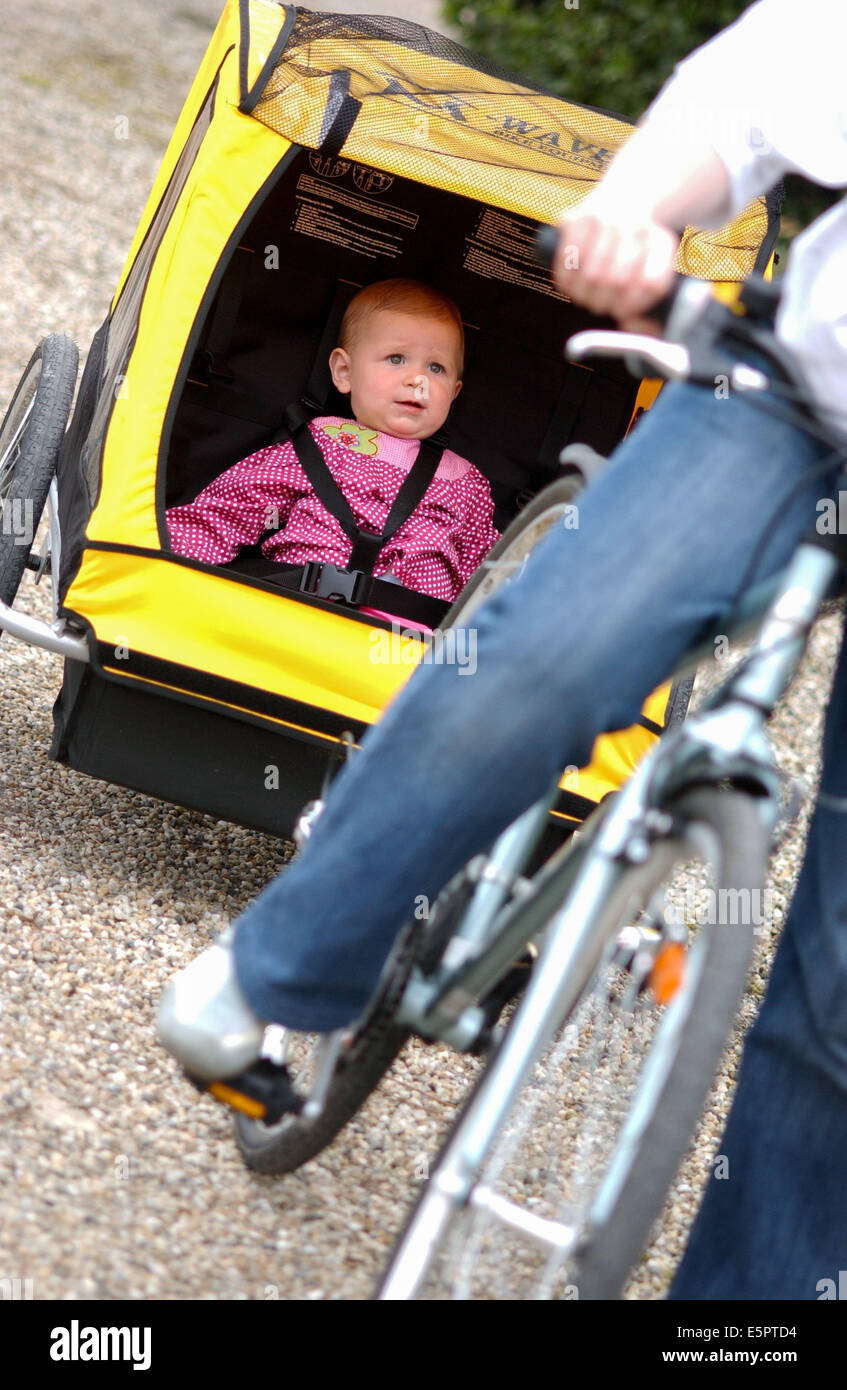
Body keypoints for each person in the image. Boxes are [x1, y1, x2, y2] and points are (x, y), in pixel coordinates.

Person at [158, 0, 847, 1298]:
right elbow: (768, 83)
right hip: (800, 400)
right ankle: (276, 967)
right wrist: (633, 204)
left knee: (839, 1003)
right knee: (545, 656)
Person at [165, 278, 499, 629]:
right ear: (344, 372)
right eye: (396, 359)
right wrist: (162, 554)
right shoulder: (320, 443)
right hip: (296, 613)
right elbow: (233, 510)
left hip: (406, 640)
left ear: (454, 392)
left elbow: (490, 572)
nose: (418, 380)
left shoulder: (466, 482)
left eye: (436, 368)